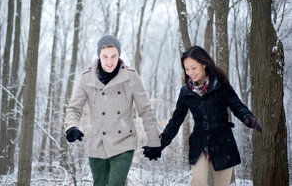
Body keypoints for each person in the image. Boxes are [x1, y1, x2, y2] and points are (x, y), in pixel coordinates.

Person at [142, 45, 262, 186]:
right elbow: (176, 121)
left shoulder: (220, 84)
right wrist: (159, 144)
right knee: (197, 181)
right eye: (187, 69)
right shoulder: (186, 92)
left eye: (194, 68)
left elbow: (237, 105)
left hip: (223, 141)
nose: (190, 73)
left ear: (204, 64)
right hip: (200, 142)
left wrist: (247, 117)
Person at [64, 34, 161, 186]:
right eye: (105, 56)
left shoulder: (131, 77)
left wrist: (154, 141)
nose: (109, 61)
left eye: (113, 56)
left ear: (119, 55)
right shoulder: (86, 78)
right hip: (96, 143)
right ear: (99, 55)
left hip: (124, 142)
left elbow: (145, 110)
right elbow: (74, 108)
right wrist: (71, 127)